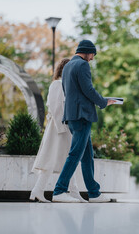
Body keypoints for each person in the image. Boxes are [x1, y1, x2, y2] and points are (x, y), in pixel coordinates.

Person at [52, 40, 116, 203]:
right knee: (75, 154)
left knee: (87, 156)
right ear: (87, 52)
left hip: (72, 115)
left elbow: (71, 92)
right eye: (93, 54)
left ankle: (94, 193)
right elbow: (88, 89)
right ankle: (59, 190)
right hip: (82, 115)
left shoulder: (67, 67)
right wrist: (103, 101)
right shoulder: (82, 65)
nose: (92, 58)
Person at [30, 58, 86, 203]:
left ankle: (73, 191)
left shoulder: (65, 85)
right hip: (58, 129)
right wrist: (63, 128)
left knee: (67, 160)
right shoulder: (57, 84)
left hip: (64, 128)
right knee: (52, 159)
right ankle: (38, 190)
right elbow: (55, 108)